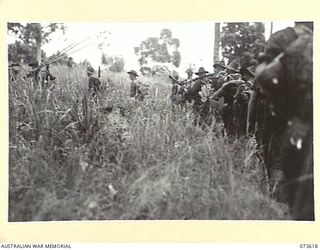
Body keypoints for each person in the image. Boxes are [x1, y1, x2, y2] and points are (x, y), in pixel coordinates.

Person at [255, 22, 313, 220]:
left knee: (302, 203)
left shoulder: (285, 39)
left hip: (296, 127)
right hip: (296, 126)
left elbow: (265, 76)